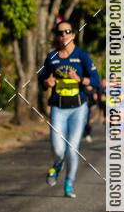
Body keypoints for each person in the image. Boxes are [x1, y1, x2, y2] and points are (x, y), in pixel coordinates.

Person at [39, 20, 100, 198]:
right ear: (57, 36)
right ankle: (58, 164)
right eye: (60, 33)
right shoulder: (51, 57)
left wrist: (80, 79)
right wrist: (46, 82)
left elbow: (95, 80)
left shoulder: (82, 56)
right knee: (58, 148)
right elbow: (42, 80)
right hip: (58, 108)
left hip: (78, 109)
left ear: (73, 34)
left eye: (67, 31)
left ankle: (69, 183)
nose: (64, 35)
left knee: (72, 149)